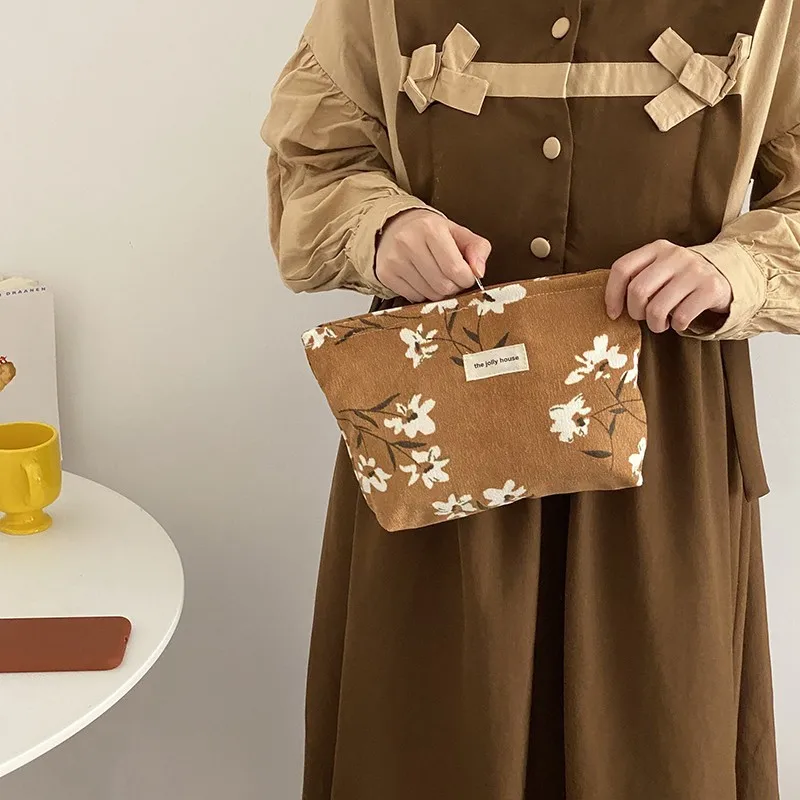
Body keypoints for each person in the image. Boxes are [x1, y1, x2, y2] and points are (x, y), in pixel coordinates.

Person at [262, 1, 799, 797]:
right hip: (442, 435)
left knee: (655, 734)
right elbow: (313, 161)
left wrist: (734, 270)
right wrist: (382, 228)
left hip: (661, 447)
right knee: (431, 739)